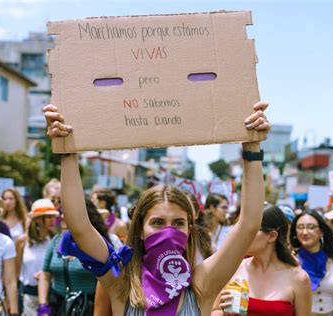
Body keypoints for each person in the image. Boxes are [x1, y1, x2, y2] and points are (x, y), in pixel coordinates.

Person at [44, 100, 269, 315]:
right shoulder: (121, 281)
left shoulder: (201, 284)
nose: (168, 232)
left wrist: (252, 147)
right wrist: (67, 150)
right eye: (158, 223)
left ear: (190, 229)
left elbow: (248, 224)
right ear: (140, 229)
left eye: (178, 223)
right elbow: (80, 227)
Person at [212, 203, 311, 315]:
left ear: (272, 236)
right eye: (240, 228)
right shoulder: (234, 269)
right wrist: (224, 312)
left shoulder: (299, 278)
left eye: (251, 229)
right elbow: (215, 310)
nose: (241, 235)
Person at [38, 199, 112, 316]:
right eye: (62, 213)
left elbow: (106, 283)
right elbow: (45, 275)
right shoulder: (56, 241)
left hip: (88, 308)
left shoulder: (97, 245)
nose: (62, 217)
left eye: (68, 213)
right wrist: (43, 306)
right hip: (57, 306)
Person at [290, 210, 333, 315]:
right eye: (300, 227)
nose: (305, 232)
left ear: (321, 232)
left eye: (311, 227)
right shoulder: (291, 262)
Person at [16, 198, 58, 316]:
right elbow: (15, 273)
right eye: (49, 217)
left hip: (50, 296)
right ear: (39, 219)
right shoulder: (22, 241)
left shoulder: (55, 240)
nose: (52, 220)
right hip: (27, 296)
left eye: (53, 217)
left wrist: (46, 275)